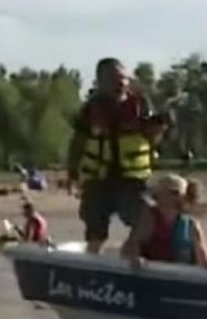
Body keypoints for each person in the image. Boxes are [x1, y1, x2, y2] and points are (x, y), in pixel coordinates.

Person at [67, 57, 171, 254]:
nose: (121, 83)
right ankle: (92, 262)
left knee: (145, 216)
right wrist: (72, 172)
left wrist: (158, 129)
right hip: (99, 179)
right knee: (95, 226)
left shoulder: (140, 105)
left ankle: (132, 249)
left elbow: (153, 138)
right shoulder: (91, 109)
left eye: (123, 78)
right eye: (114, 79)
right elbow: (77, 142)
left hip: (132, 179)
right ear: (101, 82)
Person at [121, 174, 207, 268]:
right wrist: (135, 258)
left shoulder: (191, 224)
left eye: (159, 193)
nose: (155, 196)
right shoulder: (148, 218)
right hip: (153, 274)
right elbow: (128, 248)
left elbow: (204, 261)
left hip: (181, 276)